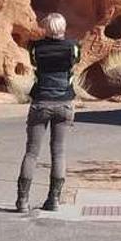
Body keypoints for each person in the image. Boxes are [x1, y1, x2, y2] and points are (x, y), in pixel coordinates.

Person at [17, 12, 79, 213]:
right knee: (59, 152)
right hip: (64, 102)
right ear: (62, 27)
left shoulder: (36, 48)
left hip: (41, 101)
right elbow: (75, 62)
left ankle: (23, 201)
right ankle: (54, 200)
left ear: (46, 28)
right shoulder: (73, 47)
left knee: (32, 152)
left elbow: (34, 63)